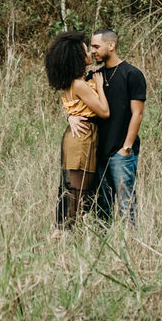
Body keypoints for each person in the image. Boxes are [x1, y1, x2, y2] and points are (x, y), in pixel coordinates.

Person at [69, 28, 145, 224]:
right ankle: (104, 246)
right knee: (102, 204)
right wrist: (70, 117)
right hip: (96, 152)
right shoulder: (93, 76)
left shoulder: (132, 74)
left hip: (121, 152)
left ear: (111, 45)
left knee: (126, 203)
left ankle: (131, 245)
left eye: (96, 46)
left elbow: (137, 114)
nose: (92, 51)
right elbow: (75, 101)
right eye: (91, 47)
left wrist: (126, 148)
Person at [44, 30, 110, 228]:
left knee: (76, 189)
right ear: (77, 58)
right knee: (77, 191)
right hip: (81, 138)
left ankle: (66, 230)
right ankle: (65, 231)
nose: (89, 53)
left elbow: (74, 107)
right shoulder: (80, 84)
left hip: (80, 136)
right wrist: (100, 86)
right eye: (85, 51)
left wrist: (70, 115)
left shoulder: (74, 82)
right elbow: (104, 112)